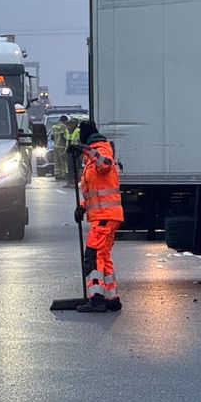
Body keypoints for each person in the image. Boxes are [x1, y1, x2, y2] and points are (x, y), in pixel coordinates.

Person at [74, 120, 123, 312]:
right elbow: (95, 190)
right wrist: (82, 207)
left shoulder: (101, 149)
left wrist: (86, 150)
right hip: (103, 215)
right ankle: (111, 298)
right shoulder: (90, 159)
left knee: (92, 258)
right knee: (103, 256)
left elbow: (105, 164)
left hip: (105, 216)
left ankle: (96, 298)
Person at [49, 115, 69, 181]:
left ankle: (57, 174)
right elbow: (63, 135)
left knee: (56, 161)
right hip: (61, 146)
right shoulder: (64, 127)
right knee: (63, 161)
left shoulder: (54, 127)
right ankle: (63, 174)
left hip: (55, 146)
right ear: (65, 121)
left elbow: (52, 136)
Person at [64, 117, 81, 187]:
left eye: (72, 124)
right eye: (70, 123)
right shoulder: (68, 130)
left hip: (76, 151)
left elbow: (79, 141)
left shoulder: (78, 131)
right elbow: (67, 139)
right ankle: (69, 182)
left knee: (75, 167)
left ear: (76, 124)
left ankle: (74, 182)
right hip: (69, 151)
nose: (70, 125)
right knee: (69, 167)